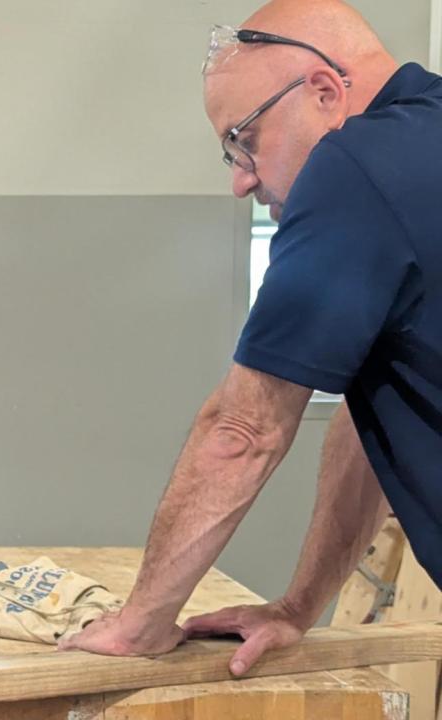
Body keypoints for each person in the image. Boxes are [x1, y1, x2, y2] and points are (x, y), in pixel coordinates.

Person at [61, 0, 442, 677]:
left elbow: (244, 429)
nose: (242, 180)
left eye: (245, 139)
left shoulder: (357, 167)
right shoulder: (424, 140)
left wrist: (137, 627)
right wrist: (298, 607)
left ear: (324, 92)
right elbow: (374, 423)